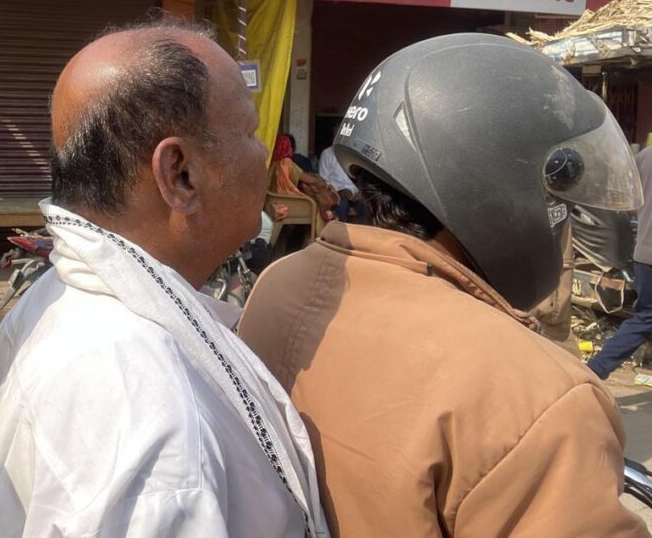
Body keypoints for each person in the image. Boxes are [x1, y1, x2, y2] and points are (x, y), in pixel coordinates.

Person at [239, 33, 649, 537]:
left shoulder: (280, 283)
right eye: (553, 196)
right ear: (487, 183)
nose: (561, 219)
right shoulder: (541, 396)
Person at [0, 18, 329, 536]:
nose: (263, 153)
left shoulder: (61, 301)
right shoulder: (141, 400)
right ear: (180, 174)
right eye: (251, 132)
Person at [587, 145, 652, 380]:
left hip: (644, 254)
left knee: (644, 317)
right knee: (646, 318)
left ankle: (597, 368)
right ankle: (597, 368)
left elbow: (629, 202)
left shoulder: (645, 156)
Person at [318, 143, 366, 223]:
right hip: (337, 194)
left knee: (366, 206)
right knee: (342, 206)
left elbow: (363, 179)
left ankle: (361, 234)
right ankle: (341, 234)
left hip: (356, 194)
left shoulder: (356, 154)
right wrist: (336, 191)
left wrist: (361, 192)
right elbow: (323, 180)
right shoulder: (327, 153)